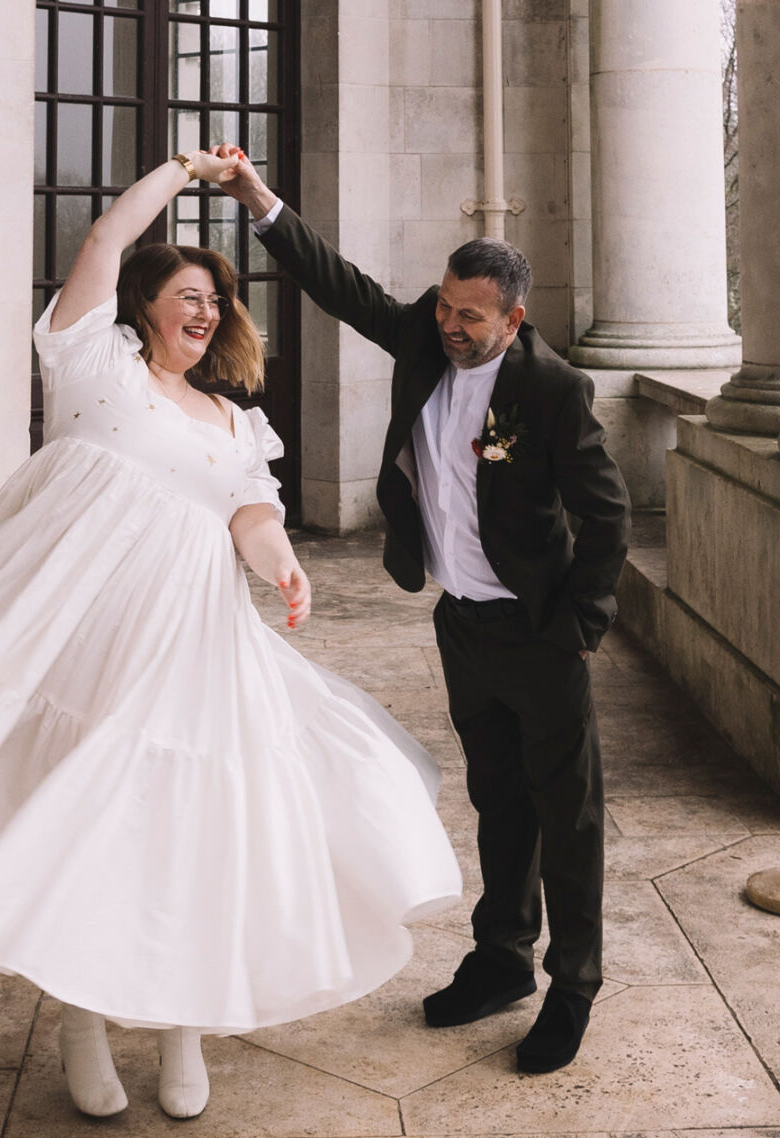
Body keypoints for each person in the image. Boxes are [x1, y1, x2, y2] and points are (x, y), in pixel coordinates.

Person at [0, 147, 461, 1121]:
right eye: (187, 293)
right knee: (81, 821)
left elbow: (250, 516)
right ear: (144, 305)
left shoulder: (234, 420)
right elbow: (104, 237)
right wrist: (181, 174)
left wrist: (286, 567)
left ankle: (183, 1023)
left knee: (190, 828)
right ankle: (85, 1016)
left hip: (196, 648)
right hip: (83, 637)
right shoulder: (91, 360)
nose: (205, 310)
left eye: (215, 301)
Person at [215, 145, 630, 1074]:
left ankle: (572, 989)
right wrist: (258, 199)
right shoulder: (423, 339)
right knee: (498, 799)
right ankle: (502, 960)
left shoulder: (553, 390)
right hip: (461, 624)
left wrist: (575, 633)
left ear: (511, 319)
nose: (449, 324)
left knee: (569, 818)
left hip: (539, 635)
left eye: (469, 315)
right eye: (443, 305)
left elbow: (609, 520)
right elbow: (342, 286)